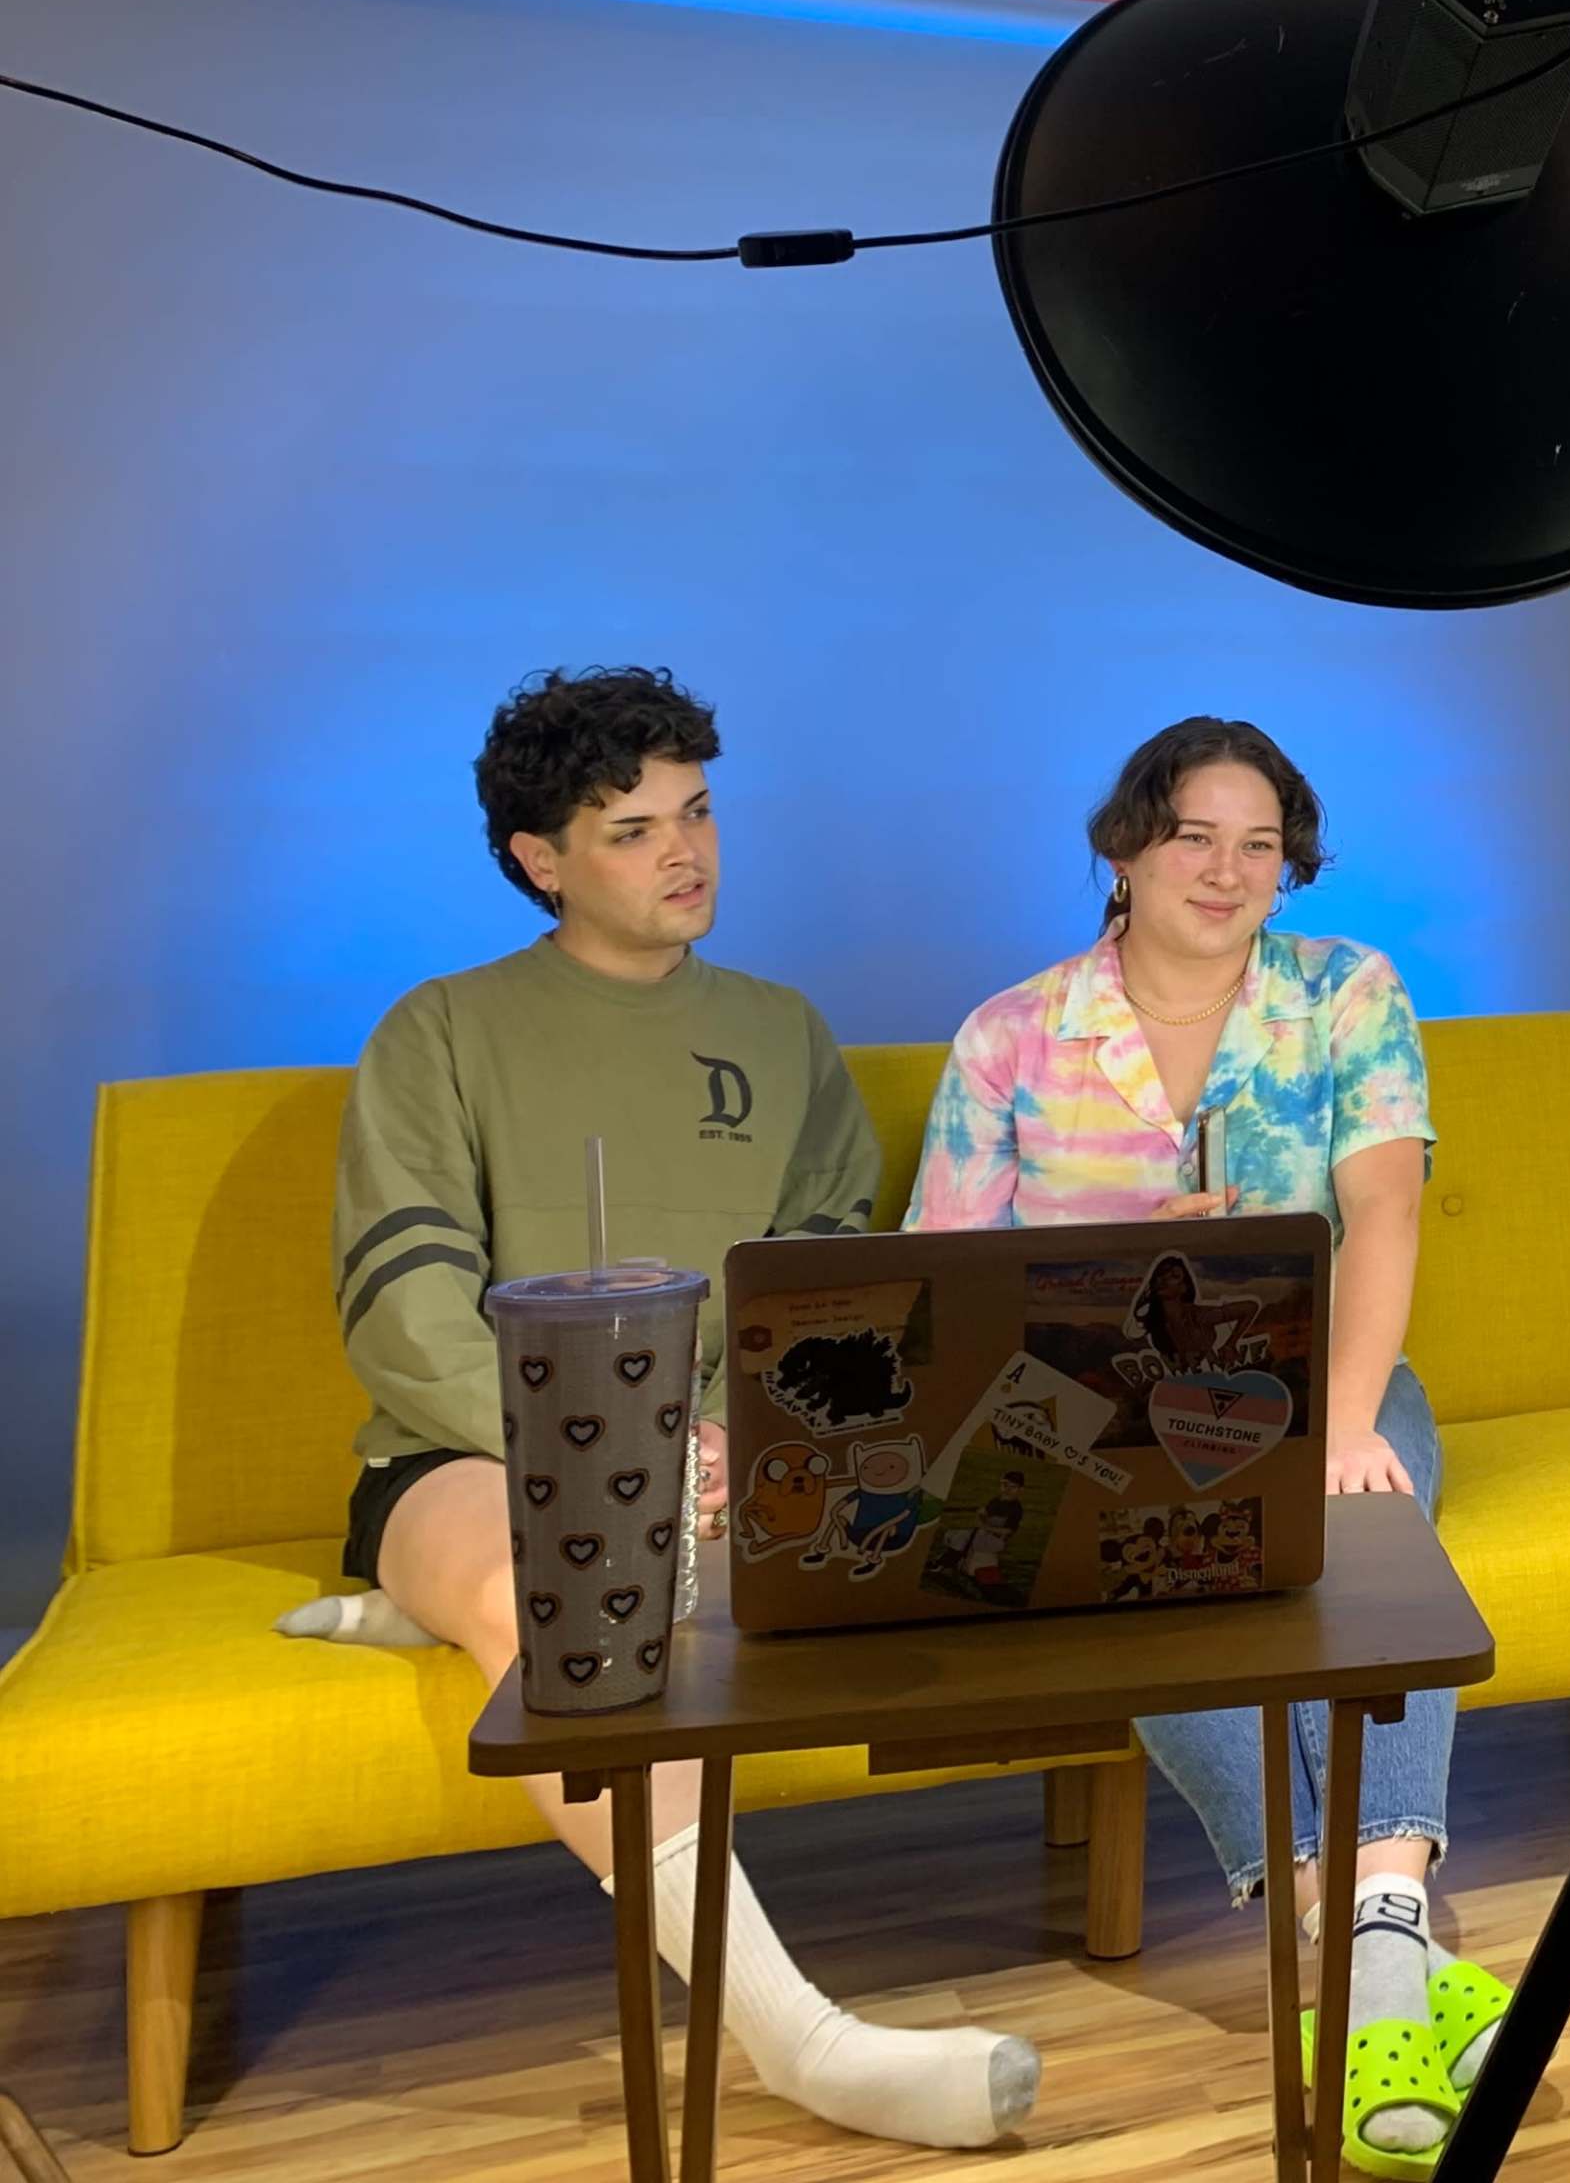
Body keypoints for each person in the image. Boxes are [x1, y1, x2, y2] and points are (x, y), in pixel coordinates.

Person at [308, 668, 1038, 2150]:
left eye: (697, 813)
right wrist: (623, 1458)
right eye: (634, 829)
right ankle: (806, 2047)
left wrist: (753, 1443)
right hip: (468, 1465)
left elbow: (831, 1296)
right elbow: (403, 1308)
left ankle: (452, 1619)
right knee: (580, 1582)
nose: (685, 851)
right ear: (541, 860)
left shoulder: (782, 1033)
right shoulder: (439, 1032)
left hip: (727, 1465)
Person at [907, 714, 1502, 2178]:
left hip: (1312, 1378)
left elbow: (1385, 1212)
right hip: (1080, 1415)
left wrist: (1346, 1422)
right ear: (1124, 847)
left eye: (1260, 846)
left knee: (1370, 1540)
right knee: (1154, 1567)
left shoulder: (1347, 992)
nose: (1229, 872)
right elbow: (948, 1284)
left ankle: (1363, 1931)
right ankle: (1380, 1953)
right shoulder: (1012, 1037)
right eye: (1194, 837)